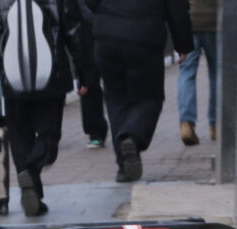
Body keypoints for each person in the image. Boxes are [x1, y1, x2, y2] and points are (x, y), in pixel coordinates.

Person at [0, 0, 95, 216]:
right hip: (51, 77)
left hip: (13, 78)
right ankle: (32, 169)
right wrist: (84, 71)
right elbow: (75, 33)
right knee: (49, 134)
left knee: (19, 137)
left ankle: (30, 186)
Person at [86, 0, 194, 182]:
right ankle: (133, 137)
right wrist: (183, 45)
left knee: (116, 100)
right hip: (144, 38)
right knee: (150, 98)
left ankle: (124, 166)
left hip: (106, 37)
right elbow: (177, 8)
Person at [178, 0, 217, 145]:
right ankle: (216, 124)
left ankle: (187, 124)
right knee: (217, 73)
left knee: (186, 73)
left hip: (190, 19)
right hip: (216, 19)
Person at [77, 0, 109, 148]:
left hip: (108, 23)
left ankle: (98, 131)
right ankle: (96, 131)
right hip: (87, 28)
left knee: (115, 81)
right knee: (89, 82)